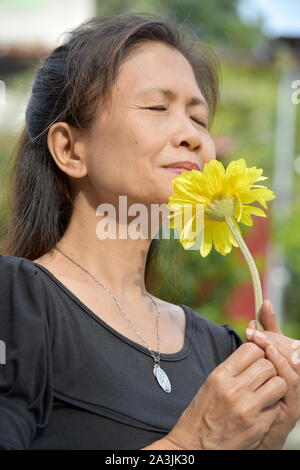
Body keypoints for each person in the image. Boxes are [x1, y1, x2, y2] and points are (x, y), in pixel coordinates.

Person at [0, 13, 299, 450]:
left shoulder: (219, 348)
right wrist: (191, 444)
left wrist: (266, 439)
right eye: (158, 108)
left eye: (199, 119)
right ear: (69, 148)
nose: (193, 137)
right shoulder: (14, 301)